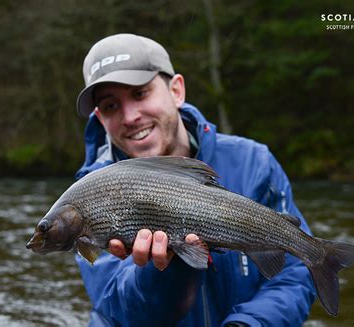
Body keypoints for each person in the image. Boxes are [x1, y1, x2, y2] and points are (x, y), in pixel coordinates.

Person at [74, 33, 316, 327]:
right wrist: (163, 272)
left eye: (140, 94)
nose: (131, 116)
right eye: (111, 106)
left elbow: (293, 276)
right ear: (100, 118)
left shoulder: (253, 162)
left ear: (176, 90)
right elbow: (118, 312)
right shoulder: (87, 197)